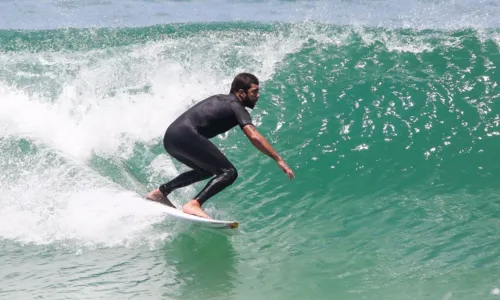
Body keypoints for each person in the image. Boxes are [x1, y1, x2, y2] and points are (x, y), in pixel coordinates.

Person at [146, 73, 295, 219]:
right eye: (254, 92)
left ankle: (160, 193)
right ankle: (194, 204)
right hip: (186, 134)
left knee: (205, 171)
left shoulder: (219, 99)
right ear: (241, 93)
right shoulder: (236, 106)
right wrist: (278, 159)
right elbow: (254, 136)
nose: (258, 96)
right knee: (229, 172)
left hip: (171, 137)